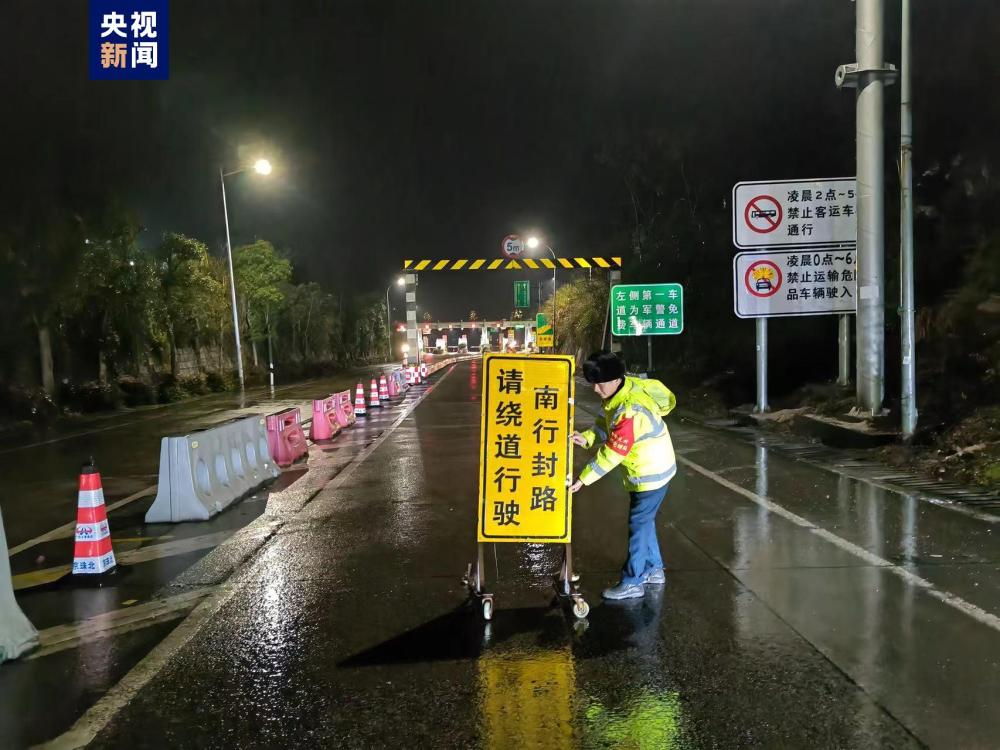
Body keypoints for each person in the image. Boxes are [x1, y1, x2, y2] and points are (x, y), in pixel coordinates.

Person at [569, 351, 677, 600]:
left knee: (638, 524)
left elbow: (613, 453)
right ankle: (654, 569)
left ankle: (633, 581)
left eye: (600, 383)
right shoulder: (619, 393)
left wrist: (583, 479)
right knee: (644, 521)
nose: (595, 389)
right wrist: (586, 438)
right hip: (653, 467)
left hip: (650, 472)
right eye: (593, 383)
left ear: (616, 380)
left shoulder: (629, 410)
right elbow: (604, 424)